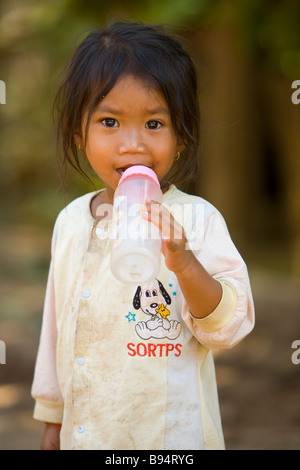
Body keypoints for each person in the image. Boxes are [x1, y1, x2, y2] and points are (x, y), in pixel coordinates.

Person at [31, 21, 255, 450]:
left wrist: (185, 263)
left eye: (154, 124)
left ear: (182, 137)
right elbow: (56, 328)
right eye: (110, 121)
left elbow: (229, 328)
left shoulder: (197, 219)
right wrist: (53, 418)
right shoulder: (71, 222)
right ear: (80, 132)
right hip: (88, 436)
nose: (132, 144)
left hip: (168, 438)